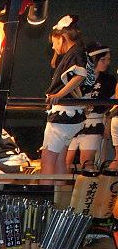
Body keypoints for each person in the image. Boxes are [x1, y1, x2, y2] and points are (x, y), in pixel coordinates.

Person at [40, 15, 87, 184]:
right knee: (60, 160)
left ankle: (45, 202)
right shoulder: (76, 52)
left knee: (47, 161)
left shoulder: (75, 53)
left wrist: (59, 95)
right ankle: (60, 203)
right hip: (72, 115)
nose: (53, 46)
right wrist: (55, 55)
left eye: (54, 42)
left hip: (62, 114)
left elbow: (79, 76)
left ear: (62, 38)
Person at [66, 43, 114, 169]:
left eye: (108, 59)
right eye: (103, 59)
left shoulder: (108, 80)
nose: (107, 63)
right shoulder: (79, 76)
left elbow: (111, 106)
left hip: (94, 122)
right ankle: (60, 189)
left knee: (87, 163)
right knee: (65, 161)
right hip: (73, 120)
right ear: (93, 59)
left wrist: (107, 124)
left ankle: (86, 188)